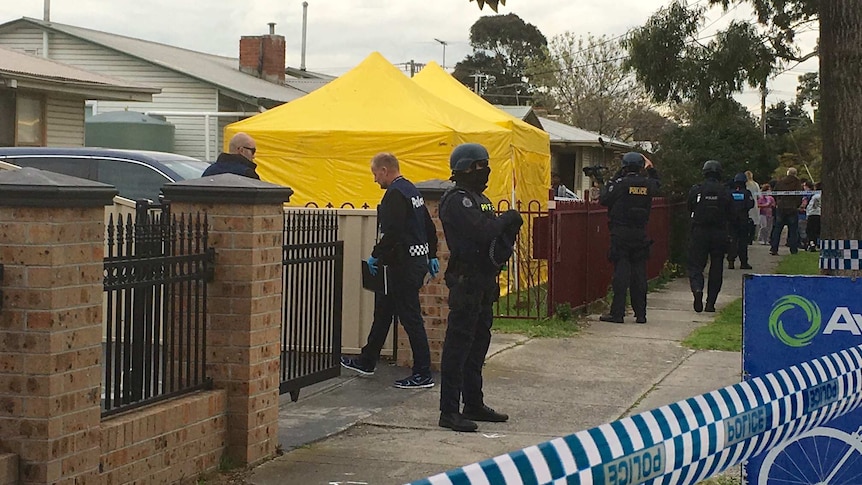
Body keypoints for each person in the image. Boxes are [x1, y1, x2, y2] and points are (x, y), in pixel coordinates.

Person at [437, 143, 523, 433]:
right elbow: (482, 231)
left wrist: (507, 232)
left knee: (478, 346)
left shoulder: (480, 199)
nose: (485, 171)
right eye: (479, 165)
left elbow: (493, 241)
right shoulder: (456, 200)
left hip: (484, 281)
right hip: (466, 282)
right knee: (458, 347)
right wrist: (505, 220)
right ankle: (449, 410)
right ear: (465, 168)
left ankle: (473, 402)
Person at [340, 152, 439, 389]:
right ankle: (367, 360)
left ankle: (422, 372)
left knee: (411, 318)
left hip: (403, 265)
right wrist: (432, 254)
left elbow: (392, 232)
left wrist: (376, 255)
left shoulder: (395, 194)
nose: (375, 180)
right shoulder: (411, 191)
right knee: (383, 313)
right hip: (412, 262)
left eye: (375, 174)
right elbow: (428, 226)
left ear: (384, 170)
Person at [598, 152, 660, 324]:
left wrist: (617, 175)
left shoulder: (620, 184)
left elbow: (604, 199)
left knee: (621, 275)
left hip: (621, 234)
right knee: (640, 275)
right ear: (641, 167)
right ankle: (641, 314)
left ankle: (617, 313)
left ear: (624, 167)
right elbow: (658, 185)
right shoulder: (647, 184)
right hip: (640, 234)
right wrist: (652, 169)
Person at [688, 160, 734, 313]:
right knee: (717, 266)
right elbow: (731, 213)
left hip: (699, 231)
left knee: (696, 265)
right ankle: (710, 303)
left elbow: (690, 207)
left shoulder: (697, 190)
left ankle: (697, 289)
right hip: (719, 232)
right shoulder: (725, 191)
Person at [770, 167, 803, 255]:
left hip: (781, 208)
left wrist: (778, 201)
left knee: (777, 229)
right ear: (795, 173)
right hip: (792, 208)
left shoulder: (781, 182)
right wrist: (797, 205)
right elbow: (799, 195)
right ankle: (793, 249)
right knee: (793, 231)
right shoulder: (797, 182)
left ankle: (774, 248)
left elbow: (774, 193)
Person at [726, 173, 755, 270]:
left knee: (732, 240)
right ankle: (743, 262)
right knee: (743, 241)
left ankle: (731, 260)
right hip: (743, 220)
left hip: (731, 220)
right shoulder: (746, 193)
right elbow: (750, 204)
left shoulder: (730, 192)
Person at [745, 171, 761, 243]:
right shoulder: (755, 184)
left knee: (746, 221)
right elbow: (759, 196)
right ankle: (751, 238)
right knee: (753, 222)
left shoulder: (744, 184)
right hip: (754, 205)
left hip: (745, 205)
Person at [806, 182, 822, 252]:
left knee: (811, 231)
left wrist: (808, 213)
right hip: (821, 214)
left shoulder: (815, 196)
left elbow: (811, 206)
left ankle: (812, 243)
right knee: (818, 230)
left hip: (813, 214)